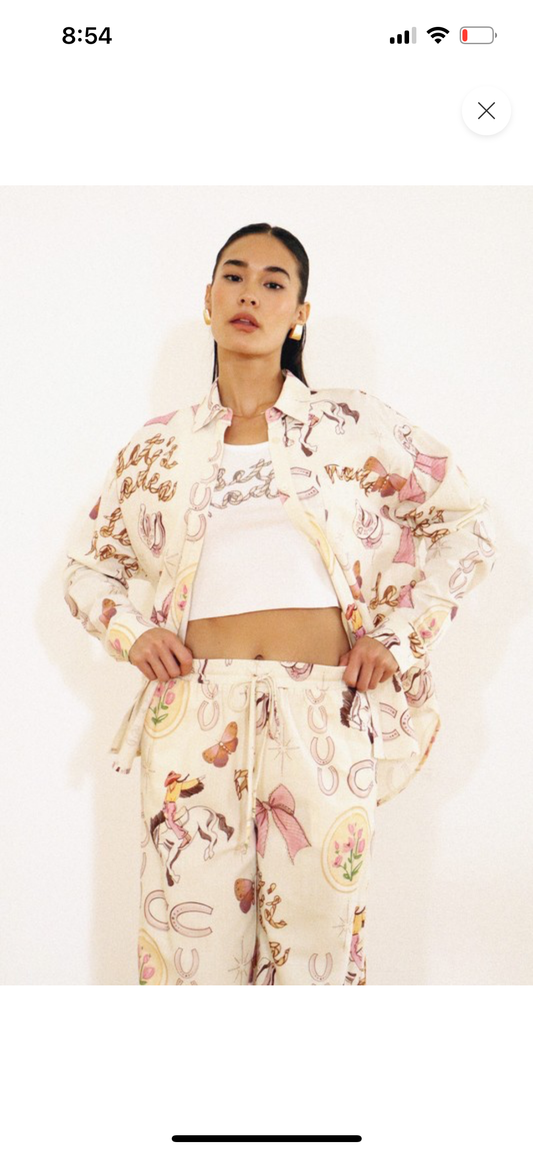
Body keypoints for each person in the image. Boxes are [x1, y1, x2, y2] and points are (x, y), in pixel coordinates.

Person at [63, 222, 497, 986]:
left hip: (323, 713)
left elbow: (465, 527)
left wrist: (396, 638)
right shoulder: (158, 448)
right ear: (207, 300)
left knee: (318, 960)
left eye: (273, 283)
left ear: (299, 313)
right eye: (234, 277)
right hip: (192, 719)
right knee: (187, 959)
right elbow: (89, 568)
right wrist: (131, 632)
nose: (250, 295)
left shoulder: (351, 425)